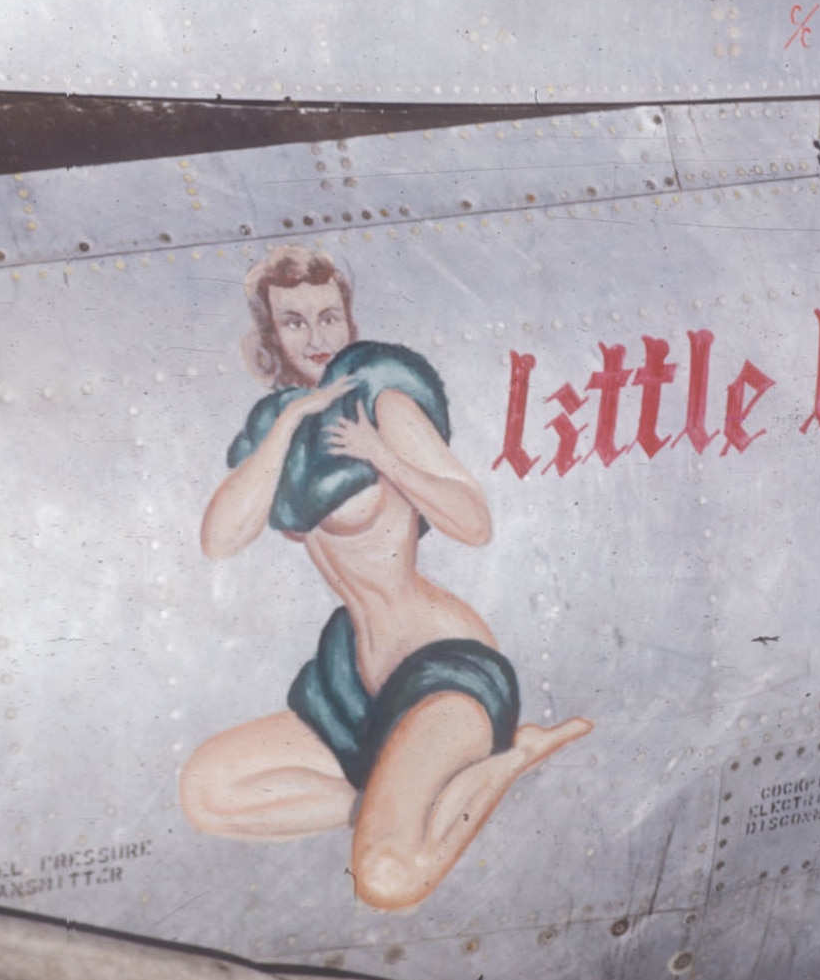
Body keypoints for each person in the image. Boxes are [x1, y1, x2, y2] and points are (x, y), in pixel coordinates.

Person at [179, 247, 592, 911]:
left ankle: (511, 756)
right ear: (272, 335)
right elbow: (220, 538)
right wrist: (287, 424)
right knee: (207, 791)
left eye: (328, 317)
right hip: (355, 679)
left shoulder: (383, 400)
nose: (316, 338)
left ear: (349, 319)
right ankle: (389, 801)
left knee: (387, 877)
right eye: (294, 323)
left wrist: (384, 458)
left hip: (441, 672)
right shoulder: (280, 426)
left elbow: (473, 521)